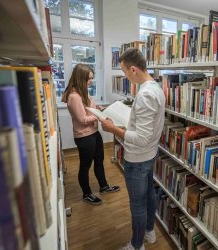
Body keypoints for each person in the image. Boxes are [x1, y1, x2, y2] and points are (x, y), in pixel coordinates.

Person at [100, 49, 165, 250]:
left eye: (125, 71)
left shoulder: (145, 95)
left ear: (134, 69)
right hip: (150, 154)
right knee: (148, 195)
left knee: (137, 204)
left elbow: (142, 138)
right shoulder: (156, 88)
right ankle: (150, 233)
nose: (125, 75)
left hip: (138, 158)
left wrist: (113, 129)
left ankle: (137, 246)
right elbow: (147, 127)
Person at [63, 64, 120, 205]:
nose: (90, 81)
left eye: (92, 78)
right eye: (89, 78)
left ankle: (104, 187)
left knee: (99, 161)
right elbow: (82, 120)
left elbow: (90, 109)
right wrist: (99, 116)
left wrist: (100, 109)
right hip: (84, 136)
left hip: (94, 133)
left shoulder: (83, 92)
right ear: (80, 78)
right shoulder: (74, 96)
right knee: (85, 166)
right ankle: (86, 193)